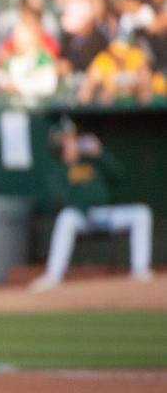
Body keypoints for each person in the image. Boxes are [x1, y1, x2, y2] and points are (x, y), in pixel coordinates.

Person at [31, 121, 153, 290]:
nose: (74, 143)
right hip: (83, 216)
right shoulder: (56, 170)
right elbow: (61, 198)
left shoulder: (92, 161)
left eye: (73, 139)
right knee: (66, 218)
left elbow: (118, 176)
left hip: (106, 213)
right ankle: (53, 276)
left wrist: (100, 153)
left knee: (141, 213)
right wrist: (86, 209)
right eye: (69, 140)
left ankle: (140, 270)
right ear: (60, 144)